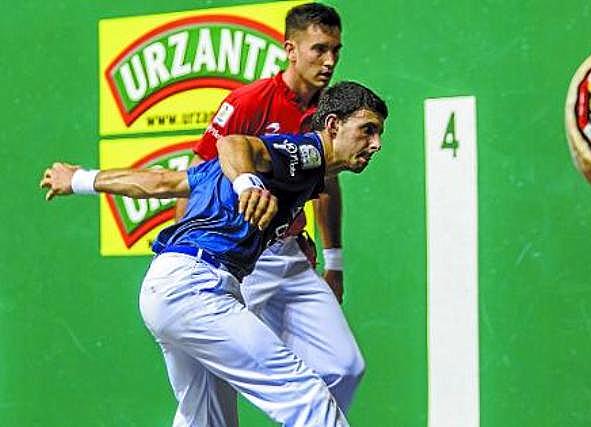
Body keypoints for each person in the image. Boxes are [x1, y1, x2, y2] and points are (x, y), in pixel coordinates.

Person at [41, 81, 388, 427]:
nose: (376, 144)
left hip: (167, 287)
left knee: (207, 421)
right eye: (367, 130)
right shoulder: (307, 154)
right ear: (332, 126)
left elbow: (161, 182)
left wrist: (79, 179)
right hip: (197, 287)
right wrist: (247, 183)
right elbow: (232, 142)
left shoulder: (294, 174)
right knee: (307, 398)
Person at [175, 2, 364, 418]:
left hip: (293, 256)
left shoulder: (330, 112)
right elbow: (198, 173)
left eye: (336, 50)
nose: (329, 61)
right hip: (243, 257)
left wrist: (333, 261)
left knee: (344, 367)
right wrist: (189, 246)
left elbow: (327, 184)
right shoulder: (249, 102)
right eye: (319, 49)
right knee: (212, 386)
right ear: (290, 49)